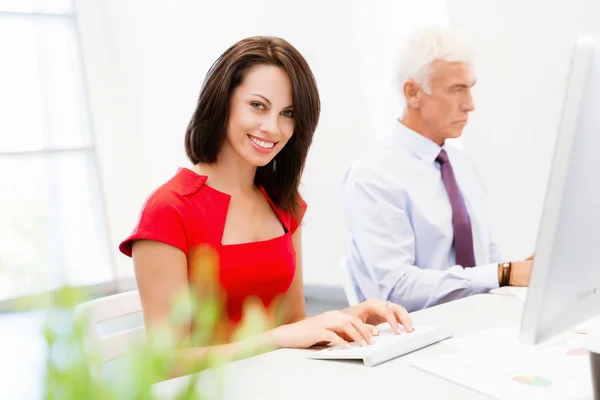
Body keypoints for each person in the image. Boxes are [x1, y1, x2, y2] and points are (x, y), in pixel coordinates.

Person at [119, 36, 412, 373]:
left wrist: (352, 315)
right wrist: (277, 339)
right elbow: (167, 362)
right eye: (258, 105)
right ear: (222, 101)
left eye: (287, 113)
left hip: (279, 381)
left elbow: (294, 323)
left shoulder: (283, 203)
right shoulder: (169, 210)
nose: (273, 127)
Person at [341, 26, 532, 313]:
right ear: (413, 93)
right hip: (417, 339)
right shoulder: (373, 176)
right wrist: (504, 273)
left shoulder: (464, 166)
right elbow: (396, 289)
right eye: (457, 90)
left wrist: (522, 272)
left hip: (481, 327)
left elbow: (488, 260)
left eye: (470, 88)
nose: (470, 105)